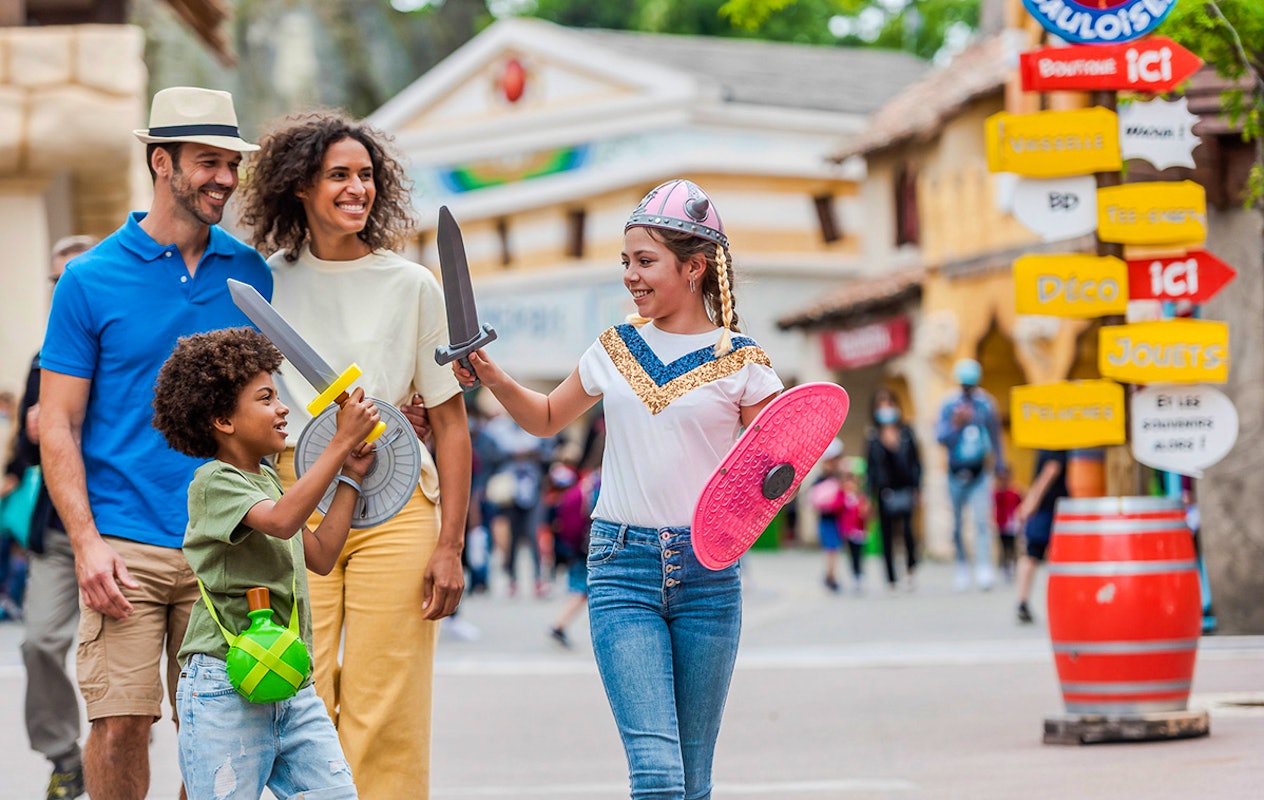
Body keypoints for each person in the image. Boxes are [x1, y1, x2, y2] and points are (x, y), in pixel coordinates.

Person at [452, 178, 782, 799]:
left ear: (694, 268)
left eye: (645, 261)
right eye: (626, 261)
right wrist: (491, 374)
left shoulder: (742, 360)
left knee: (693, 778)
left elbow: (777, 465)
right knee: (656, 774)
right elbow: (547, 417)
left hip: (709, 573)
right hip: (620, 566)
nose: (630, 275)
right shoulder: (614, 346)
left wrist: (777, 473)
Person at [38, 87, 271, 800]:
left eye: (231, 163)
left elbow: (264, 404)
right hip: (125, 542)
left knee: (220, 735)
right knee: (119, 725)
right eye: (209, 162)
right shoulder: (88, 279)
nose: (225, 179)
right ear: (161, 161)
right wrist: (85, 543)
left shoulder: (250, 272)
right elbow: (58, 423)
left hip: (224, 540)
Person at [239, 110, 471, 799]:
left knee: (387, 703)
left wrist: (451, 545)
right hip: (296, 502)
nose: (356, 188)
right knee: (296, 690)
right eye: (337, 175)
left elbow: (452, 428)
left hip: (399, 509)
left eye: (366, 175)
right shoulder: (263, 285)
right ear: (300, 188)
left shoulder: (414, 287)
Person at [151, 327, 376, 799]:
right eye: (266, 397)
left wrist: (351, 478)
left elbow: (320, 555)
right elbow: (281, 522)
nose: (283, 408)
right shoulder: (215, 483)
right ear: (223, 420)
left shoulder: (269, 480)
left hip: (289, 681)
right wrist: (340, 444)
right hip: (223, 683)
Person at [3, 234, 97, 800]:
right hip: (58, 530)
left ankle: (124, 732)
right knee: (38, 641)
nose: (64, 289)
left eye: (73, 278)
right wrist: (32, 443)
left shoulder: (119, 344)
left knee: (122, 656)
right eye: (56, 281)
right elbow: (23, 447)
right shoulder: (44, 358)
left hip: (119, 524)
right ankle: (65, 756)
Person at [935, 358, 1005, 592]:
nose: (968, 390)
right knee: (956, 522)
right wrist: (957, 423)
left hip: (979, 471)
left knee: (981, 520)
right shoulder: (948, 404)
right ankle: (962, 564)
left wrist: (1000, 464)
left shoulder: (986, 404)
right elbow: (940, 438)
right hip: (955, 471)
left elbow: (996, 436)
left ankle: (984, 566)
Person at [864, 388, 922, 591]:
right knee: (886, 534)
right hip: (884, 490)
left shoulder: (906, 433)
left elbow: (915, 462)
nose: (885, 409)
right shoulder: (872, 437)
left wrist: (917, 486)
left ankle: (911, 569)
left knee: (907, 531)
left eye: (889, 404)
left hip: (904, 487)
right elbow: (870, 468)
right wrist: (868, 496)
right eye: (881, 405)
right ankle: (891, 577)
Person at [1015, 448, 1069, 624]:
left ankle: (1024, 601)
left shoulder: (1048, 437)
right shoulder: (1051, 440)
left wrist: (1031, 500)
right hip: (1050, 507)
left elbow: (1051, 469)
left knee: (1033, 554)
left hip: (1050, 507)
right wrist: (1032, 501)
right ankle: (1024, 602)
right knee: (1035, 554)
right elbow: (1051, 469)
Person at [546, 460, 596, 646]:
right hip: (587, 547)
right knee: (582, 589)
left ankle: (560, 624)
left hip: (577, 546)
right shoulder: (595, 486)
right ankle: (559, 625)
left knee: (579, 587)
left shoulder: (583, 486)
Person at [809, 439, 847, 593]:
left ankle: (830, 575)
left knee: (833, 550)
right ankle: (830, 576)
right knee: (831, 550)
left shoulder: (837, 477)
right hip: (827, 520)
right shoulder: (824, 478)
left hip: (836, 519)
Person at [993, 464, 1022, 583]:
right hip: (1001, 524)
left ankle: (1013, 566)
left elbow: (1019, 505)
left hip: (1012, 524)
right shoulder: (996, 493)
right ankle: (1005, 567)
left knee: (1013, 546)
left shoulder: (1014, 492)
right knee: (1003, 547)